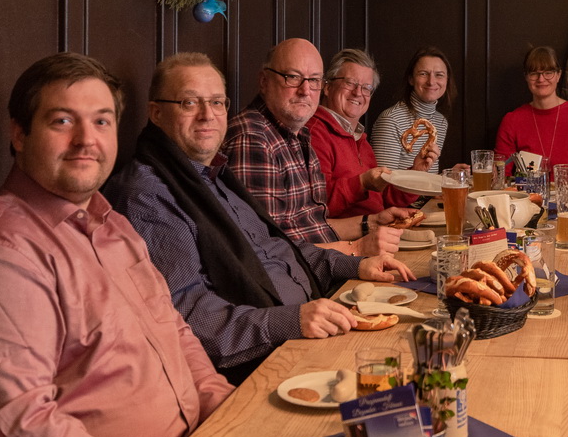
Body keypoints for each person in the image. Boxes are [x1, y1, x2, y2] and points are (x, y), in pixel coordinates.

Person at [0, 53, 233, 437]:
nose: (87, 140)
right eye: (63, 121)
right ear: (19, 133)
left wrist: (228, 413)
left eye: (102, 122)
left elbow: (175, 333)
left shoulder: (113, 225)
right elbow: (19, 426)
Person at [105, 53, 414, 383]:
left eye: (217, 102)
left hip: (310, 326)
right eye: (189, 103)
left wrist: (355, 265)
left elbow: (278, 249)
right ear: (155, 112)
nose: (207, 115)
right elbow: (188, 316)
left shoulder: (213, 175)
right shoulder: (148, 195)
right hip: (264, 365)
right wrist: (292, 321)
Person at [222, 38, 406, 256]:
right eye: (293, 77)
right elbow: (268, 252)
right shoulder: (252, 138)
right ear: (264, 81)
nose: (305, 90)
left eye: (313, 80)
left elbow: (313, 224)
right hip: (301, 281)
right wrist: (356, 249)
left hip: (322, 263)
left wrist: (372, 223)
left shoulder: (299, 134)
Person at [307, 48, 418, 219]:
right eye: (350, 83)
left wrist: (416, 172)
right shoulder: (315, 133)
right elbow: (318, 206)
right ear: (327, 87)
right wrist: (362, 183)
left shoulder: (360, 140)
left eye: (366, 88)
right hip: (348, 240)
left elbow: (384, 199)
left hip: (377, 229)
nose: (358, 93)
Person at [494, 46, 568, 187]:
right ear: (526, 77)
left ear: (559, 75)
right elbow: (501, 174)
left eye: (548, 73)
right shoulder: (512, 120)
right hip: (527, 202)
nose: (541, 79)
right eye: (534, 73)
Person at [370, 46, 455, 172]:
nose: (431, 82)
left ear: (447, 81)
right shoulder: (390, 120)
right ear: (411, 79)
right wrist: (416, 171)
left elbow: (426, 180)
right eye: (423, 74)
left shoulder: (440, 122)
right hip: (398, 192)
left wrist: (449, 175)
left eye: (439, 75)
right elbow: (382, 184)